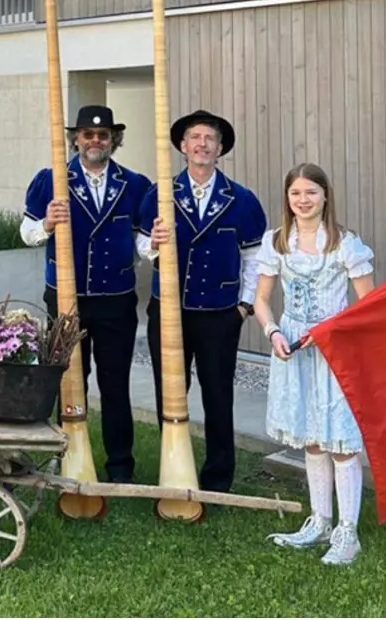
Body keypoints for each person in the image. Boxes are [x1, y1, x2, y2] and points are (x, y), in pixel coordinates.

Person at [137, 109, 266, 493]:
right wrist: (155, 244)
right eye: (195, 137)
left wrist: (242, 308)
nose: (202, 144)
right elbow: (142, 246)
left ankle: (217, 478)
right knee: (170, 392)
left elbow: (256, 258)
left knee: (218, 394)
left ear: (220, 148)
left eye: (210, 138)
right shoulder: (159, 195)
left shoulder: (241, 199)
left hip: (218, 314)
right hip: (169, 310)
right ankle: (174, 467)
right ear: (182, 146)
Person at [20, 104, 152, 483]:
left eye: (103, 135)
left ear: (114, 140)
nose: (95, 140)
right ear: (75, 139)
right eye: (88, 134)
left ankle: (120, 468)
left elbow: (143, 243)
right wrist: (47, 222)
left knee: (115, 383)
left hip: (115, 299)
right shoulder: (51, 180)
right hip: (65, 297)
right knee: (69, 381)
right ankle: (68, 457)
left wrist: (153, 248)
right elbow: (27, 233)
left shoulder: (134, 184)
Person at [253, 162, 376, 565]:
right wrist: (273, 332)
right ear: (287, 198)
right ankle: (321, 519)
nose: (303, 200)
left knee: (340, 441)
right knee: (310, 436)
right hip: (294, 346)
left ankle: (348, 531)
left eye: (310, 192)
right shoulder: (278, 242)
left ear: (325, 195)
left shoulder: (345, 245)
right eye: (295, 194)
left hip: (333, 349)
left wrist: (334, 332)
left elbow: (369, 305)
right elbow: (261, 299)